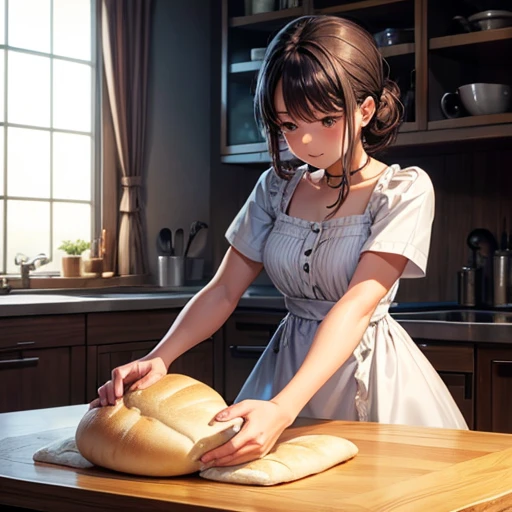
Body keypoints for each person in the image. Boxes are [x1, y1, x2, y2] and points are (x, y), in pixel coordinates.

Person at [94, 15, 468, 470]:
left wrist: (285, 407)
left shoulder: (404, 189)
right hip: (283, 366)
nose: (305, 141)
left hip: (366, 371)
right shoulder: (276, 188)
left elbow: (357, 305)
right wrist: (159, 357)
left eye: (325, 119)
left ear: (365, 111)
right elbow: (224, 289)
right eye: (289, 124)